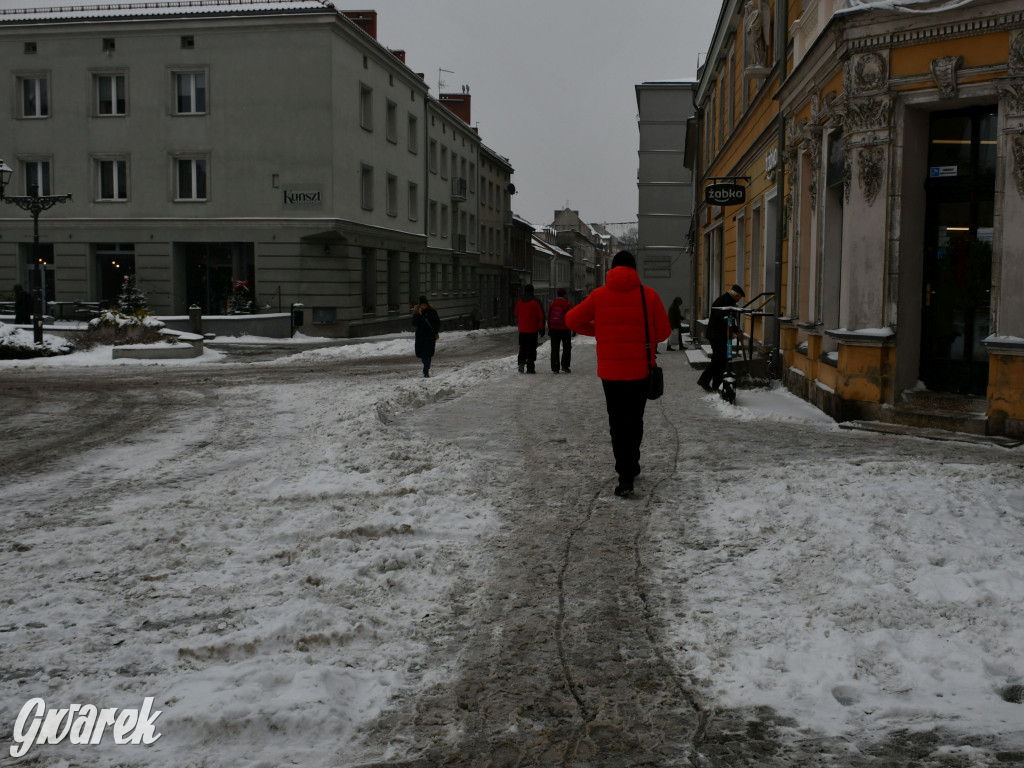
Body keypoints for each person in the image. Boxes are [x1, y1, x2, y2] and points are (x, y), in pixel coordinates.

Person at [566, 251, 671, 498]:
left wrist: (600, 331)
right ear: (634, 270)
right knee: (635, 420)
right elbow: (665, 332)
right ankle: (631, 465)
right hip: (640, 371)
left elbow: (572, 320)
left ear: (612, 269)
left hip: (610, 373)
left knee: (617, 422)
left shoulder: (599, 295)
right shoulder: (649, 296)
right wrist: (642, 338)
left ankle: (623, 475)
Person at [697, 284, 745, 392]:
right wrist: (736, 331)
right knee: (719, 359)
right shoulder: (723, 302)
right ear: (735, 295)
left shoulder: (728, 302)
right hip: (716, 335)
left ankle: (716, 384)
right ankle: (704, 380)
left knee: (720, 360)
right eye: (739, 297)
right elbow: (725, 318)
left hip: (719, 335)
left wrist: (736, 331)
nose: (738, 300)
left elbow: (729, 319)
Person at [514, 284, 545, 374]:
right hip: (533, 330)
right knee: (532, 348)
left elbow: (516, 314)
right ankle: (530, 367)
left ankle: (521, 363)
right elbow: (541, 316)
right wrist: (542, 328)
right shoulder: (536, 301)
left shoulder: (519, 301)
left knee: (522, 347)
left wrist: (520, 322)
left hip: (522, 329)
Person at [411, 295, 440, 378]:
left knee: (428, 354)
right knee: (423, 355)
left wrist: (435, 331)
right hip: (421, 337)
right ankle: (425, 366)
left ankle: (426, 370)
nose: (423, 307)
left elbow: (437, 322)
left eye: (424, 305)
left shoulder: (432, 312)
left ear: (427, 305)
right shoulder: (417, 313)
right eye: (422, 305)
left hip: (430, 336)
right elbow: (414, 323)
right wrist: (419, 315)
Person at [547, 287, 573, 374]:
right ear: (565, 295)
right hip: (565, 329)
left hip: (554, 329)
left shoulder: (553, 304)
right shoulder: (568, 304)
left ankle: (555, 367)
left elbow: (549, 316)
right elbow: (571, 317)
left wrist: (550, 327)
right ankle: (565, 366)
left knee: (555, 348)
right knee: (566, 348)